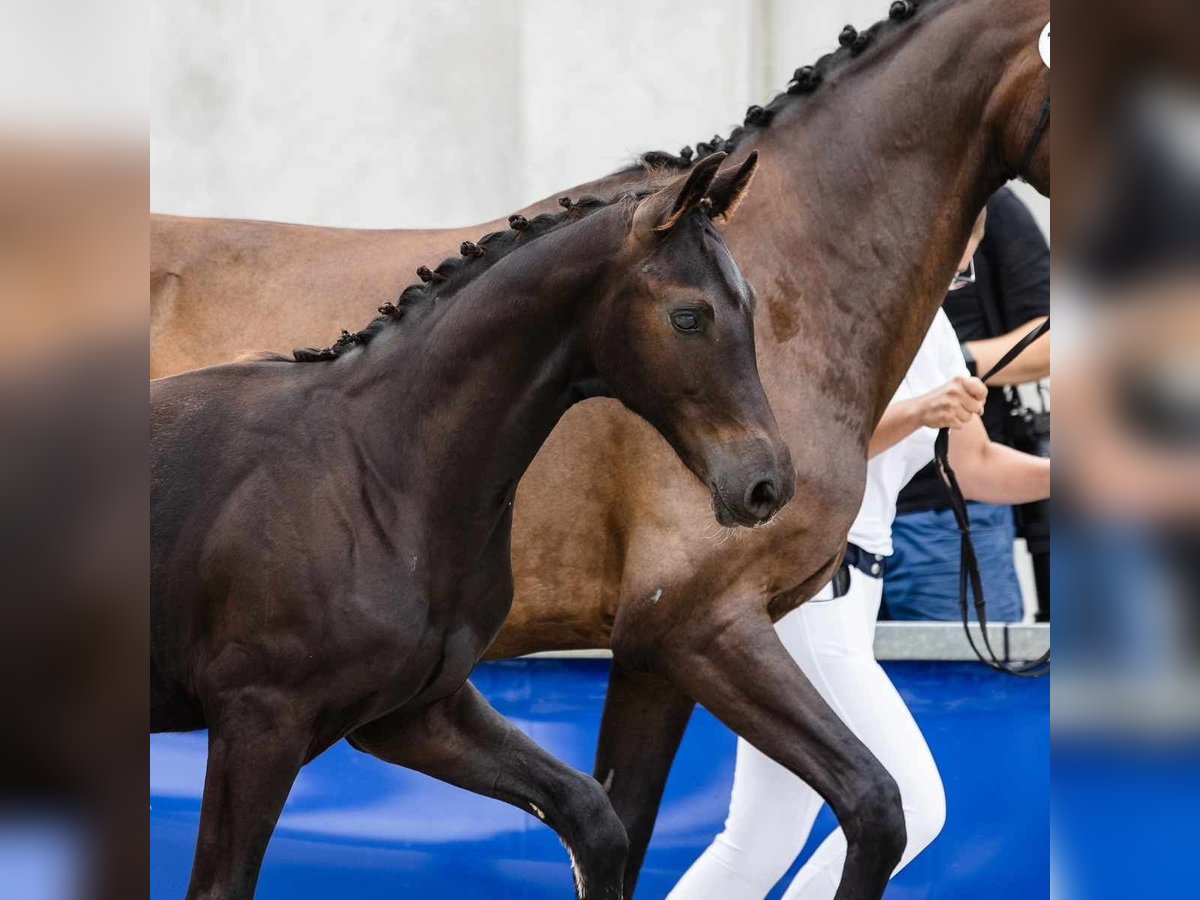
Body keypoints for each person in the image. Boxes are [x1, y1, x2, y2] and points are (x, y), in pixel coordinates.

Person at [669, 215, 1051, 900]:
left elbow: (978, 466)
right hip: (812, 590)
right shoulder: (839, 314)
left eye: (963, 269)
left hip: (848, 592)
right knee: (907, 805)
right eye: (956, 261)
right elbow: (793, 465)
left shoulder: (934, 332)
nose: (954, 278)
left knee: (760, 840)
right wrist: (918, 412)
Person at [886, 187, 1051, 622]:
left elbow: (973, 464)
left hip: (946, 516)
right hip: (836, 539)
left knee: (970, 680)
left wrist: (960, 365)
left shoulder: (990, 207)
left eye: (959, 273)